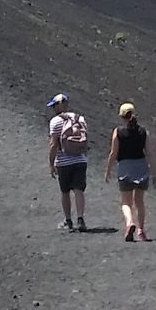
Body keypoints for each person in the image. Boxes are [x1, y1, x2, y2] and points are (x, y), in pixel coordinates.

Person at [106, 103, 152, 240]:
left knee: (126, 203)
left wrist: (108, 170)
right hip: (141, 167)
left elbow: (114, 153)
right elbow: (149, 153)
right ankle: (141, 230)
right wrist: (154, 172)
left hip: (125, 168)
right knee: (140, 202)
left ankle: (129, 222)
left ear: (122, 116)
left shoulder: (118, 132)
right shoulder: (143, 132)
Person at [46, 93, 91, 230]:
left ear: (59, 105)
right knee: (79, 190)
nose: (53, 109)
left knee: (65, 191)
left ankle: (68, 220)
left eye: (54, 105)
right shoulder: (80, 118)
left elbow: (53, 144)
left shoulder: (55, 121)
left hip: (63, 161)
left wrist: (51, 163)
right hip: (80, 159)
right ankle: (80, 219)